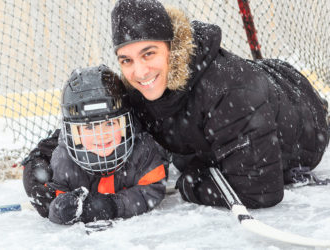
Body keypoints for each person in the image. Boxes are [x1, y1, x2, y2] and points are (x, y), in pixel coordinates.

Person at [110, 0, 329, 208]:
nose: (139, 72)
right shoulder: (140, 89)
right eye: (126, 60)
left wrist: (190, 184)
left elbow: (260, 190)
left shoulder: (227, 92)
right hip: (259, 84)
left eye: (148, 54)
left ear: (172, 47)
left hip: (303, 113)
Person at [23, 65, 168, 224]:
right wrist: (62, 210)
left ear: (126, 122)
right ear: (74, 133)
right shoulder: (64, 159)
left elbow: (152, 190)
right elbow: (55, 202)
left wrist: (114, 205)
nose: (101, 134)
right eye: (89, 126)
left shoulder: (142, 148)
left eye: (110, 123)